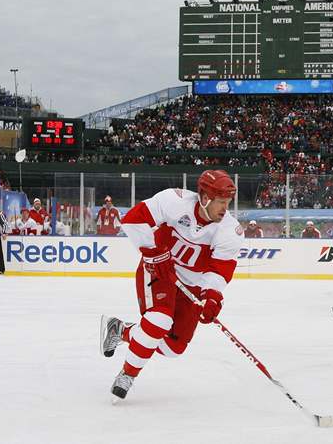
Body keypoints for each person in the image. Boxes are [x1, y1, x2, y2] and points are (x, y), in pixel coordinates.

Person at [100, 169, 243, 400]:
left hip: (192, 285)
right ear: (205, 198)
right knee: (159, 320)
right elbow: (134, 220)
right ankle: (127, 374)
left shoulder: (229, 230)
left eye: (228, 203)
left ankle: (121, 330)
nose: (225, 209)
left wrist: (212, 296)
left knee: (173, 348)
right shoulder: (174, 202)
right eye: (221, 202)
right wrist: (154, 253)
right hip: (159, 271)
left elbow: (221, 269)